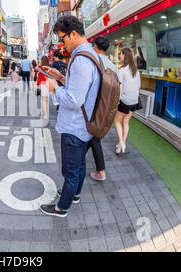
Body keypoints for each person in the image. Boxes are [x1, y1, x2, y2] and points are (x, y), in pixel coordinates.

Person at [40, 16, 101, 218]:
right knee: (80, 165)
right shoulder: (88, 54)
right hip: (83, 125)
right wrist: (61, 78)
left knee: (71, 171)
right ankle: (73, 194)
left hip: (75, 126)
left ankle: (61, 207)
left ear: (73, 34)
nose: (61, 43)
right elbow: (80, 88)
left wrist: (54, 88)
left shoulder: (81, 59)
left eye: (62, 38)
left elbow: (74, 99)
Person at [88, 36, 118, 181]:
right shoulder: (112, 66)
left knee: (93, 138)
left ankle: (101, 171)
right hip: (106, 108)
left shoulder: (93, 62)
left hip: (92, 107)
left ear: (95, 46)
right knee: (93, 138)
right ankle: (99, 170)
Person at [115, 48, 141, 154]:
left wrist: (117, 100)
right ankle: (122, 143)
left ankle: (121, 142)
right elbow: (139, 86)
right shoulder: (136, 70)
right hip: (135, 101)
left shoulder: (121, 70)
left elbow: (119, 88)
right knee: (126, 121)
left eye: (120, 54)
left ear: (125, 56)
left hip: (124, 101)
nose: (119, 56)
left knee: (117, 121)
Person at [37, 56, 51, 123]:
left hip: (43, 84)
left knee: (44, 100)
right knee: (46, 100)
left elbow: (35, 70)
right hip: (49, 84)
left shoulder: (40, 68)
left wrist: (38, 86)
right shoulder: (49, 67)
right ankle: (45, 113)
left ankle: (45, 114)